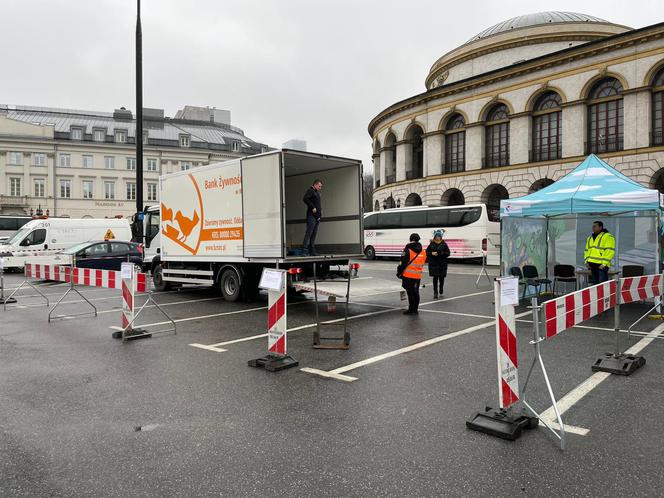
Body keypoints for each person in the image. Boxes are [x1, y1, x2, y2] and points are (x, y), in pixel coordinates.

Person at [398, 233, 427, 315]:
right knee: (416, 292)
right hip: (417, 275)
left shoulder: (408, 250)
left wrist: (399, 272)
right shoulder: (423, 251)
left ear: (410, 239)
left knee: (410, 292)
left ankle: (411, 309)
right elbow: (423, 262)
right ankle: (415, 309)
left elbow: (402, 263)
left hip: (408, 275)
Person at [426, 229, 450, 299]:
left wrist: (442, 253)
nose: (437, 237)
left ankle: (441, 289)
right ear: (434, 237)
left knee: (441, 278)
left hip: (442, 264)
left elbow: (448, 253)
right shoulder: (431, 244)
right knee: (435, 278)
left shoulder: (444, 244)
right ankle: (435, 292)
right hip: (434, 264)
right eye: (436, 236)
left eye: (439, 236)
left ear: (441, 237)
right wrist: (432, 253)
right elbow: (426, 253)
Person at [302, 179, 323, 256]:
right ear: (315, 184)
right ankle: (304, 250)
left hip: (317, 217)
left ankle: (312, 250)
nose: (320, 188)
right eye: (319, 186)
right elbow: (305, 199)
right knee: (309, 233)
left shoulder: (316, 193)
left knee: (314, 233)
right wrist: (312, 207)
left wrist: (320, 213)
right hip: (311, 216)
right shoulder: (310, 190)